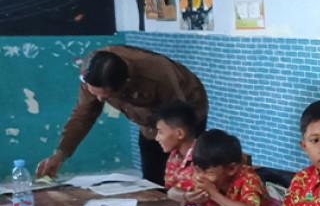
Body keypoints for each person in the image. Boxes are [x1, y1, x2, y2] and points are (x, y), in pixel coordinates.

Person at [36, 46, 208, 185]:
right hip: (148, 121)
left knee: (187, 172)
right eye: (95, 94)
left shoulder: (157, 74)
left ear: (124, 85)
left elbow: (179, 116)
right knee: (152, 178)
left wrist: (181, 153)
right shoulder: (92, 73)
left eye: (106, 96)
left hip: (186, 108)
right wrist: (60, 155)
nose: (99, 100)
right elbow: (84, 114)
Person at [191, 129, 274, 206]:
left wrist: (214, 194)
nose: (200, 177)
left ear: (231, 169)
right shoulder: (203, 177)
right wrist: (188, 197)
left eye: (209, 173)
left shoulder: (248, 179)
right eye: (197, 170)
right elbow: (173, 193)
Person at [154, 101, 200, 205]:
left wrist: (179, 195)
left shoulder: (203, 157)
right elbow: (170, 191)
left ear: (180, 134)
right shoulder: (174, 155)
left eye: (160, 132)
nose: (156, 138)